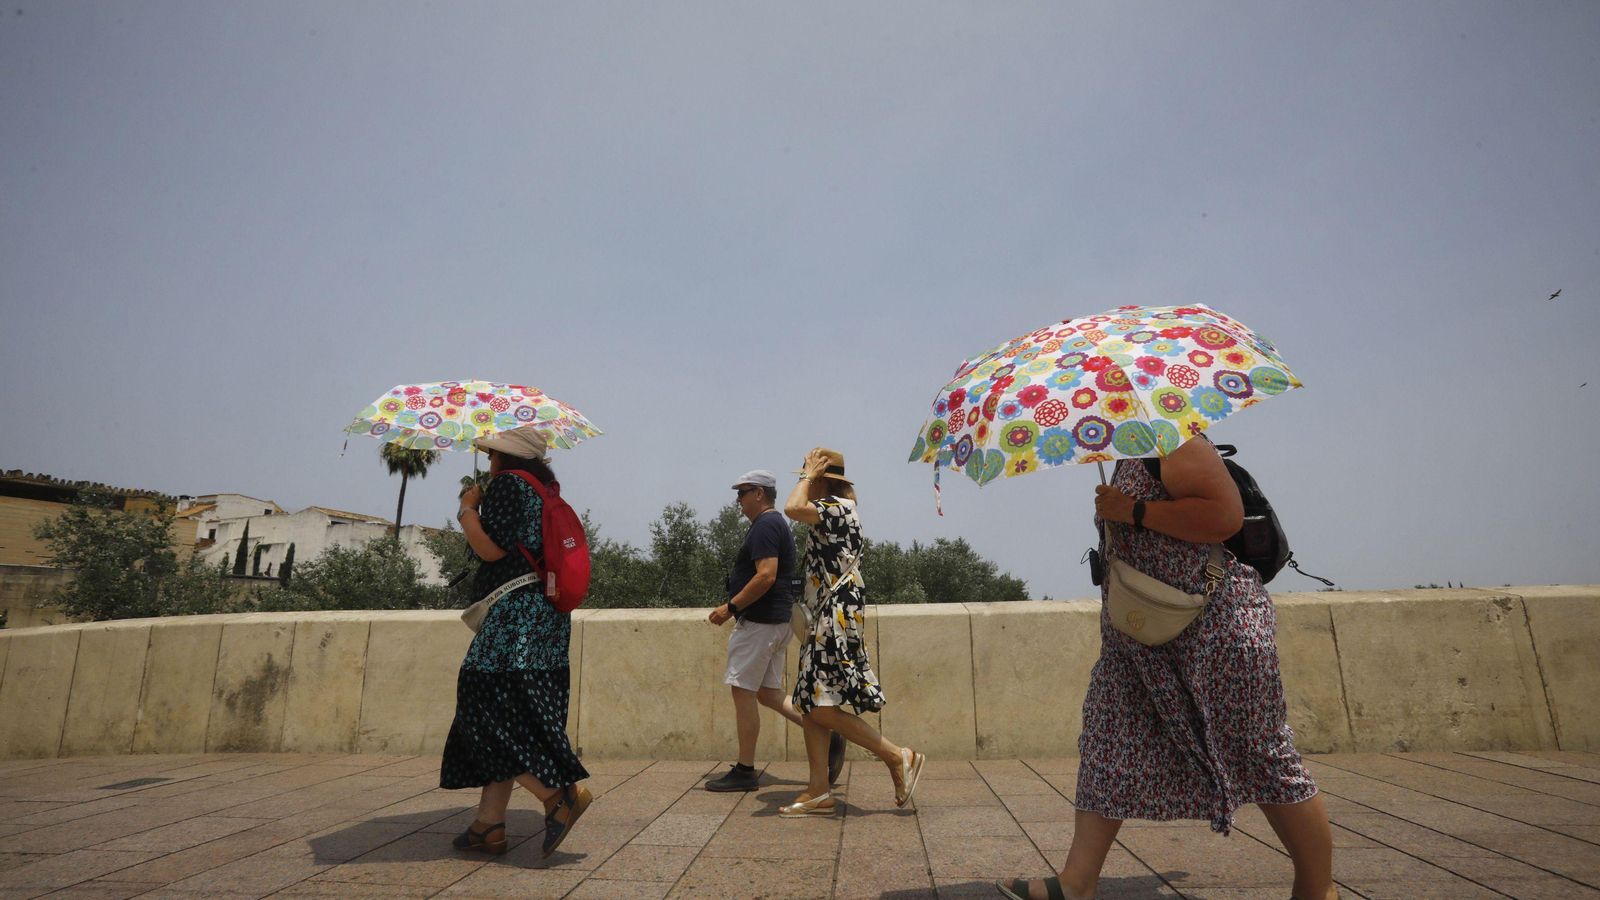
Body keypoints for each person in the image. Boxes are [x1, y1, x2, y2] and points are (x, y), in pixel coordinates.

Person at [998, 436, 1335, 900]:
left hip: (1213, 632)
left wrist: (1134, 511)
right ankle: (1076, 883)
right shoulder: (1128, 456)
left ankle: (1318, 890)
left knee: (1262, 756)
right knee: (1107, 744)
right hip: (1140, 642)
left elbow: (1223, 516)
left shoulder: (1175, 442)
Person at [439, 426, 592, 860]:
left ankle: (555, 796)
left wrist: (467, 510)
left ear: (504, 458)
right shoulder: (542, 489)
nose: (488, 462)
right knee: (512, 710)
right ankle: (489, 826)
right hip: (544, 615)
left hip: (514, 617)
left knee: (481, 704)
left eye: (490, 455)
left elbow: (491, 551)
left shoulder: (507, 486)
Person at [778, 447, 925, 818]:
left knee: (821, 704)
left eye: (812, 476)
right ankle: (818, 790)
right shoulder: (836, 512)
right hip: (831, 611)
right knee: (812, 703)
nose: (806, 482)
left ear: (824, 480)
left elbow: (791, 509)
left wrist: (807, 475)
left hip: (834, 614)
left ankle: (897, 756)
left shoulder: (837, 509)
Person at [705, 469, 845, 792]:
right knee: (768, 694)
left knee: (741, 691)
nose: (737, 501)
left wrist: (731, 608)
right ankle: (830, 733)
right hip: (777, 622)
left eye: (742, 493)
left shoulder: (766, 525)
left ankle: (745, 769)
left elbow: (766, 575)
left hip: (760, 623)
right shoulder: (773, 525)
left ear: (759, 494)